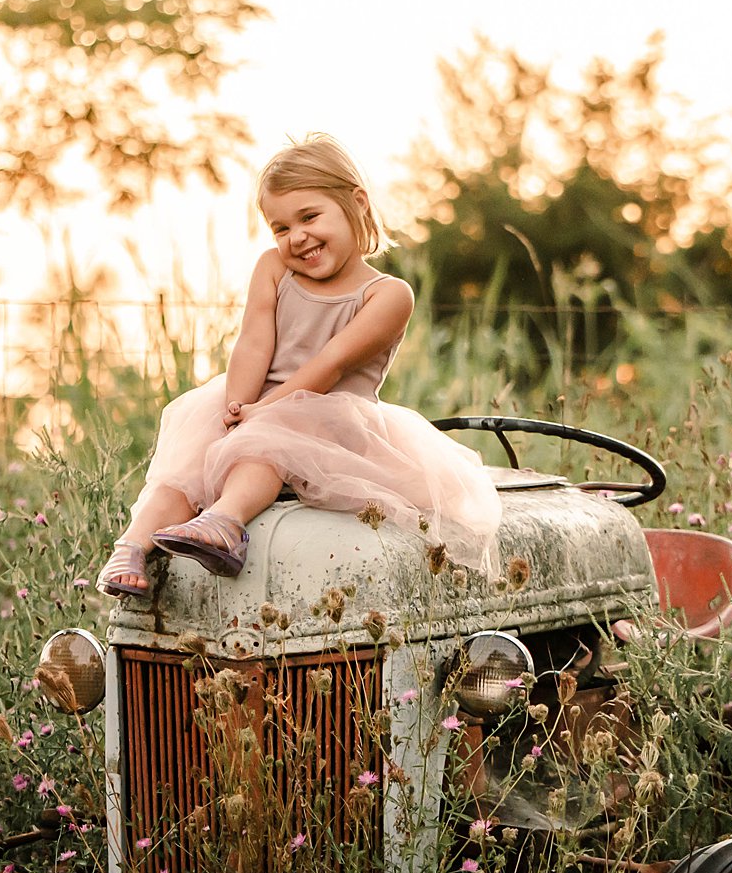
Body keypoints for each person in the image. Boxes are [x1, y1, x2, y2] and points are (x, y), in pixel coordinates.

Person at [96, 135, 502, 598]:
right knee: (184, 470)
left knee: (265, 449)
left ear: (357, 204)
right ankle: (131, 546)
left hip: (330, 414)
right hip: (259, 400)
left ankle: (226, 520)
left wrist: (264, 414)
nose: (297, 237)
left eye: (309, 217)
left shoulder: (387, 294)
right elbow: (253, 342)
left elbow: (330, 365)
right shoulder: (273, 268)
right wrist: (237, 405)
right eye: (281, 227)